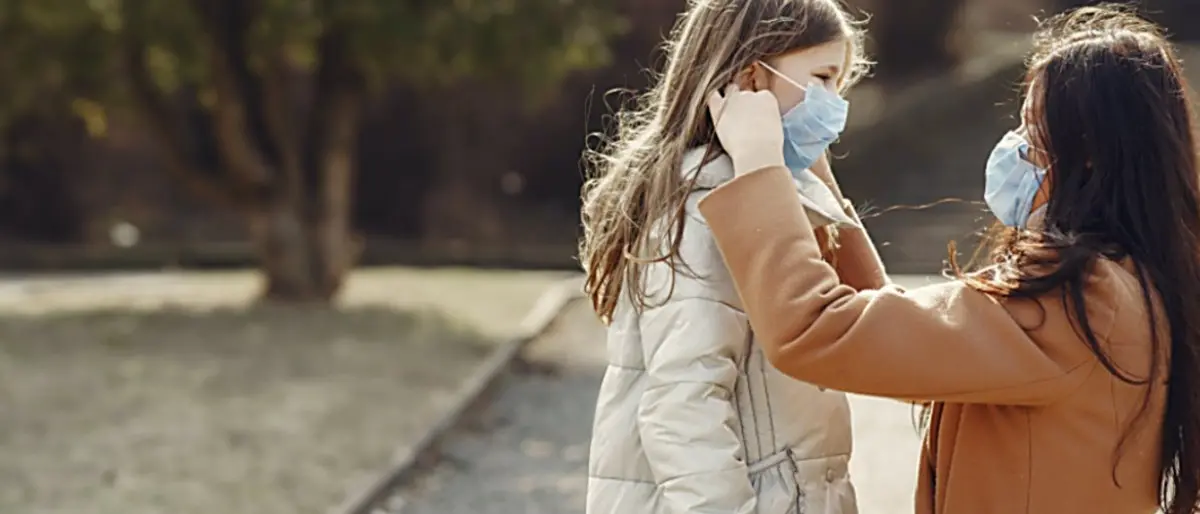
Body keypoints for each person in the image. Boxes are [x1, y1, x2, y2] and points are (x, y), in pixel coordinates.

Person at [699, 5, 1200, 514]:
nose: (1016, 147)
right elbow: (906, 343)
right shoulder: (1131, 279)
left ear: (1088, 152)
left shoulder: (1079, 296)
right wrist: (819, 181)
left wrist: (760, 166)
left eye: (1032, 129)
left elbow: (818, 330)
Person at [579, 0, 873, 512]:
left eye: (839, 85)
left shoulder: (768, 199)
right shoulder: (709, 207)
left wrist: (813, 175)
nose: (834, 104)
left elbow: (869, 329)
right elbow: (683, 408)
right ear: (751, 79)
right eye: (822, 79)